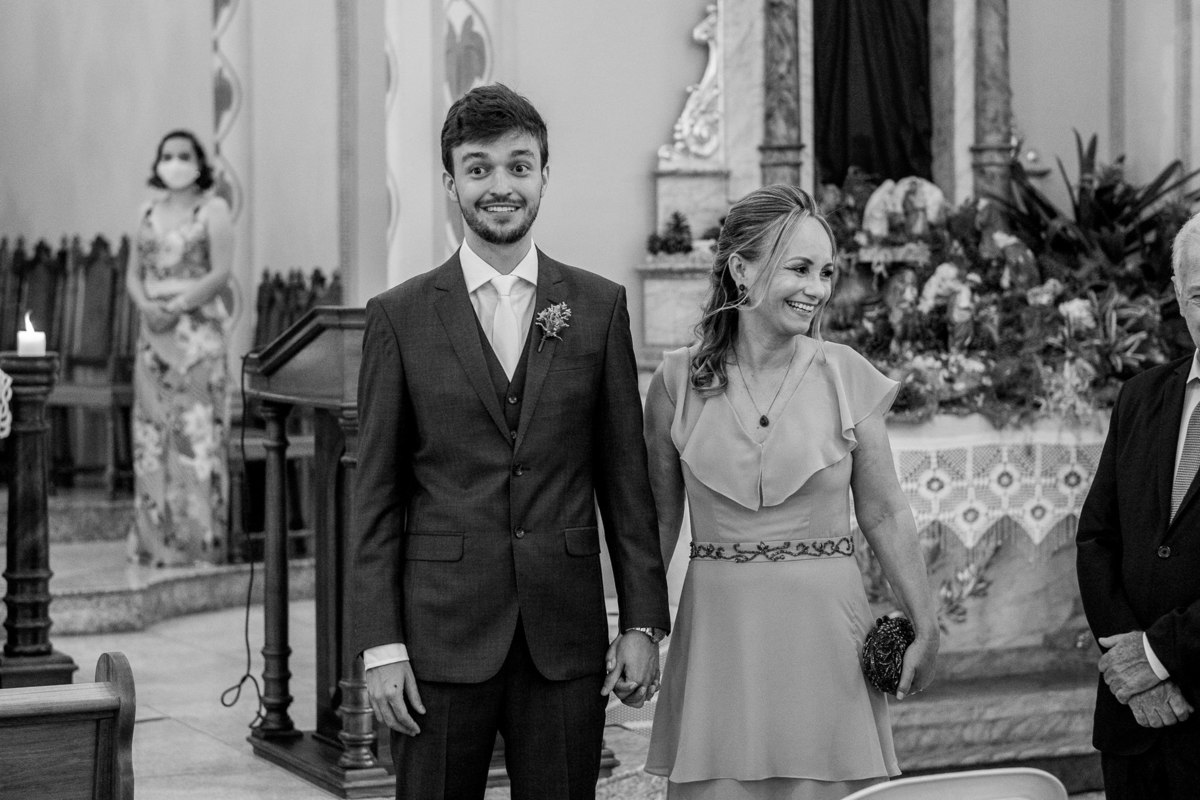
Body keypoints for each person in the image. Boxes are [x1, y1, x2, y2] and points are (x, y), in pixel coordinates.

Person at [348, 83, 671, 799]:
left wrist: (642, 622)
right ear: (451, 183)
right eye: (479, 168)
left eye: (519, 166)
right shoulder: (398, 317)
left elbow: (626, 482)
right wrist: (380, 644)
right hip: (438, 635)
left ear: (544, 175)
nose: (501, 186)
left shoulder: (597, 308)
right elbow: (374, 496)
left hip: (564, 634)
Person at [643, 185, 939, 799]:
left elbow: (885, 512)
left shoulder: (846, 375)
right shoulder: (675, 383)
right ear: (741, 269)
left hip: (826, 639)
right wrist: (639, 631)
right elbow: (657, 524)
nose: (817, 289)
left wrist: (926, 622)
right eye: (799, 268)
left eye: (826, 272)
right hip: (721, 639)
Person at [1076, 211, 1200, 799]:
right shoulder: (1140, 395)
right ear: (1177, 294)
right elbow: (1097, 539)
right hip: (1133, 723)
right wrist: (1134, 667)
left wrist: (1157, 656)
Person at [126, 129, 233, 567]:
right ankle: (156, 543)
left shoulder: (214, 209)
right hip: (152, 334)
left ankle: (201, 542)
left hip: (197, 336)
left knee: (195, 435)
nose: (175, 162)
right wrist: (147, 306)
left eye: (184, 155)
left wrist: (177, 305)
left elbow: (221, 272)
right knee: (152, 436)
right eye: (167, 155)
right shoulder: (146, 211)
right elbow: (133, 273)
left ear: (199, 163)